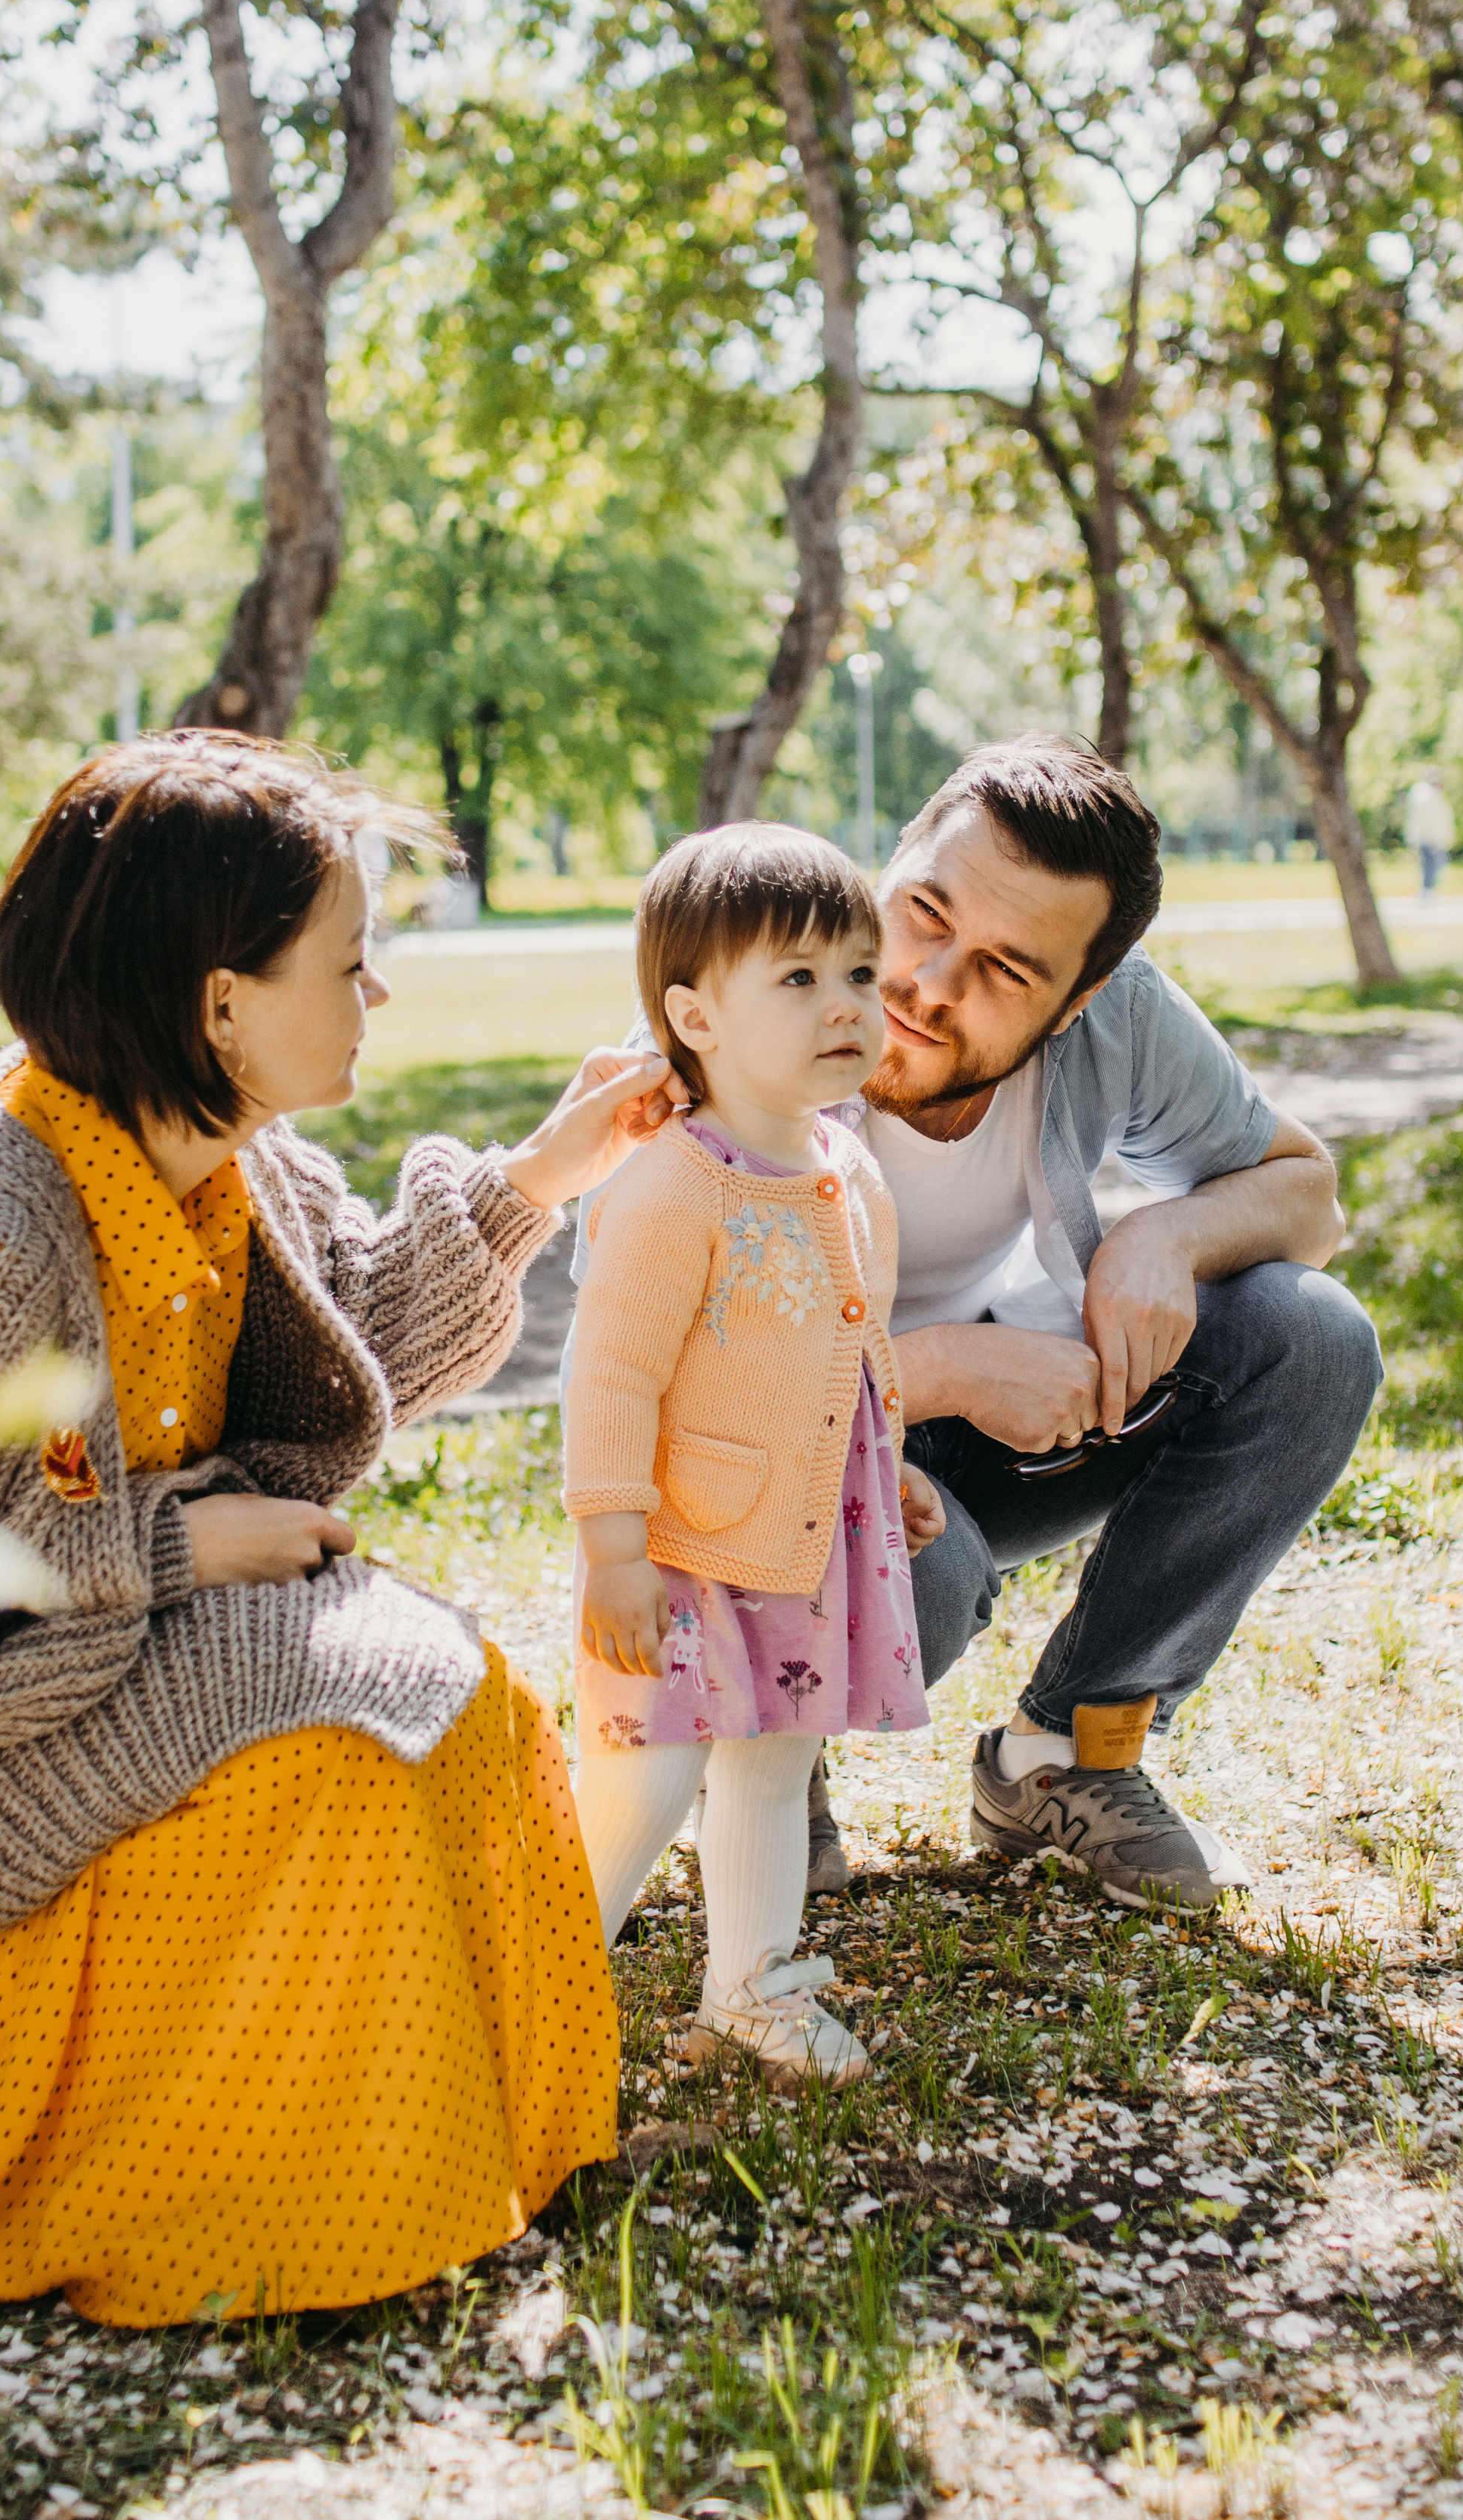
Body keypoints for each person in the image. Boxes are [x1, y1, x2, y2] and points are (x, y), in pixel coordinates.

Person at [0, 732, 680, 2326]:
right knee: (324, 1763)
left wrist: (540, 1177)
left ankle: (492, 2133)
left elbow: (350, 1321)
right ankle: (231, 2195)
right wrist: (164, 1552)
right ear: (219, 1000)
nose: (380, 998)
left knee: (456, 1699)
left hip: (50, 1654)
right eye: (352, 965)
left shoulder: (215, 1148)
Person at [826, 732, 1384, 1908]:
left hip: (1013, 1419)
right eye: (923, 912)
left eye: (1007, 971)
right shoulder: (746, 979)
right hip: (777, 1458)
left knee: (1310, 1333)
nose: (930, 984)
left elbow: (1310, 1194)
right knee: (926, 1576)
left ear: (1079, 998)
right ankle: (760, 1765)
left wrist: (1167, 1234)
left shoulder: (1118, 1018)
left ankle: (1066, 1750)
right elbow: (657, 1379)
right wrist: (936, 1371)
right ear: (891, 859)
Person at [563, 826, 947, 2084]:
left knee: (777, 1761)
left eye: (857, 973)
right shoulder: (676, 1187)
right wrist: (614, 1546)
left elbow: (855, 1343)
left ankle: (754, 1986)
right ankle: (544, 1979)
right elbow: (612, 1373)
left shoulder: (845, 1167)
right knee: (648, 1776)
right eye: (798, 979)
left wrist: (882, 1466)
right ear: (695, 1015)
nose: (847, 1006)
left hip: (801, 1535)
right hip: (676, 1546)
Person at [1406, 776, 1454, 898]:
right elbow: (1426, 822)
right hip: (1429, 838)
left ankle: (1429, 889)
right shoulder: (1428, 800)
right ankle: (1427, 890)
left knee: (1436, 863)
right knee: (1430, 864)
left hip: (1434, 838)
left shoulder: (1436, 800)